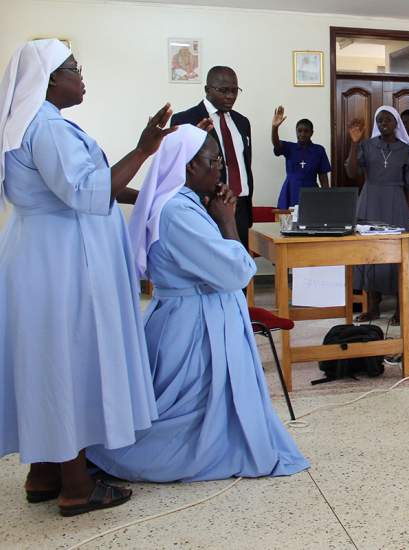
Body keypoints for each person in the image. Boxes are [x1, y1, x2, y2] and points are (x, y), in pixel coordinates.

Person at [0, 39, 173, 516]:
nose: (81, 76)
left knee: (42, 360)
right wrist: (144, 149)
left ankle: (44, 473)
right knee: (67, 362)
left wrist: (143, 194)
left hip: (39, 255)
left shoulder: (28, 124)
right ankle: (76, 485)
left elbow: (79, 186)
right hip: (63, 263)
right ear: (51, 78)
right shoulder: (49, 128)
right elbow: (86, 191)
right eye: (74, 68)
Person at [87, 125, 309, 481]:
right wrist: (228, 222)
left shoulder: (183, 202)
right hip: (194, 326)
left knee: (202, 409)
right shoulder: (179, 212)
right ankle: (109, 454)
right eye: (213, 160)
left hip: (191, 314)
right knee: (190, 414)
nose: (220, 167)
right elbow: (236, 273)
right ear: (190, 166)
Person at [346, 106, 409, 324]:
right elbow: (351, 172)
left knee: (397, 253)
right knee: (369, 254)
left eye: (387, 119)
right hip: (369, 201)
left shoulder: (406, 150)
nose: (383, 123)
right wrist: (354, 142)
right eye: (379, 120)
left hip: (396, 202)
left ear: (396, 123)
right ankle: (373, 308)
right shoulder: (366, 145)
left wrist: (407, 212)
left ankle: (400, 309)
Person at [171, 66, 253, 249]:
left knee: (240, 265)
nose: (230, 96)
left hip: (240, 205)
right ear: (207, 90)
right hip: (206, 205)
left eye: (234, 90)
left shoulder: (242, 122)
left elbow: (245, 164)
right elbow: (176, 166)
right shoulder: (185, 119)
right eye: (223, 90)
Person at [271, 105, 331, 209]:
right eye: (299, 131)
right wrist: (275, 128)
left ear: (312, 133)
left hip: (311, 192)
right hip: (291, 190)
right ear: (296, 132)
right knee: (289, 223)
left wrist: (326, 197)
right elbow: (276, 144)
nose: (302, 134)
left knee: (311, 222)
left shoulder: (319, 150)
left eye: (306, 131)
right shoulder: (290, 147)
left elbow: (323, 177)